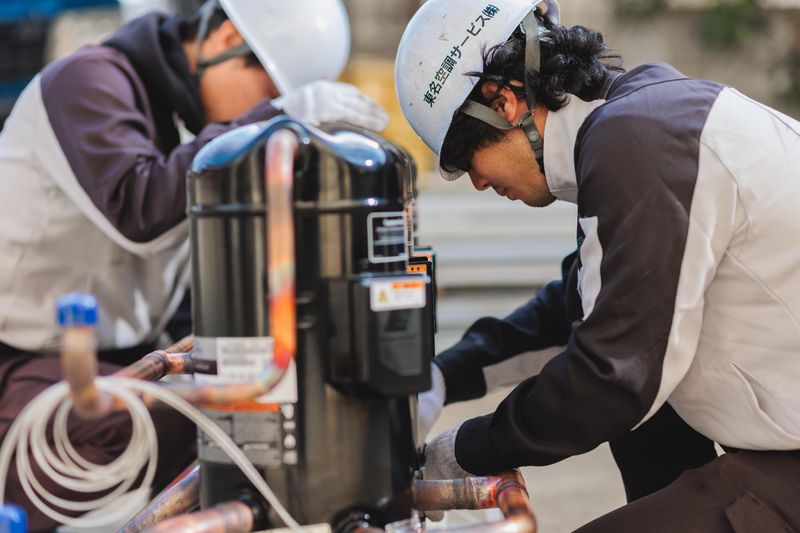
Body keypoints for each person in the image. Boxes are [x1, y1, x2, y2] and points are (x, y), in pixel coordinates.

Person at [395, 0, 800, 530]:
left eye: (465, 156)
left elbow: (611, 378)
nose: (477, 182)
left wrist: (464, 449)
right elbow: (580, 306)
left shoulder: (637, 140)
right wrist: (443, 376)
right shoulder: (639, 119)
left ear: (505, 100)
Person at [0, 0, 387, 529]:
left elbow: (185, 282)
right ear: (226, 38)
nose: (265, 109)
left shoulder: (190, 119)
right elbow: (141, 209)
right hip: (29, 361)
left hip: (126, 352)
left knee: (244, 425)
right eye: (270, 91)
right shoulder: (87, 81)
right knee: (122, 433)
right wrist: (274, 119)